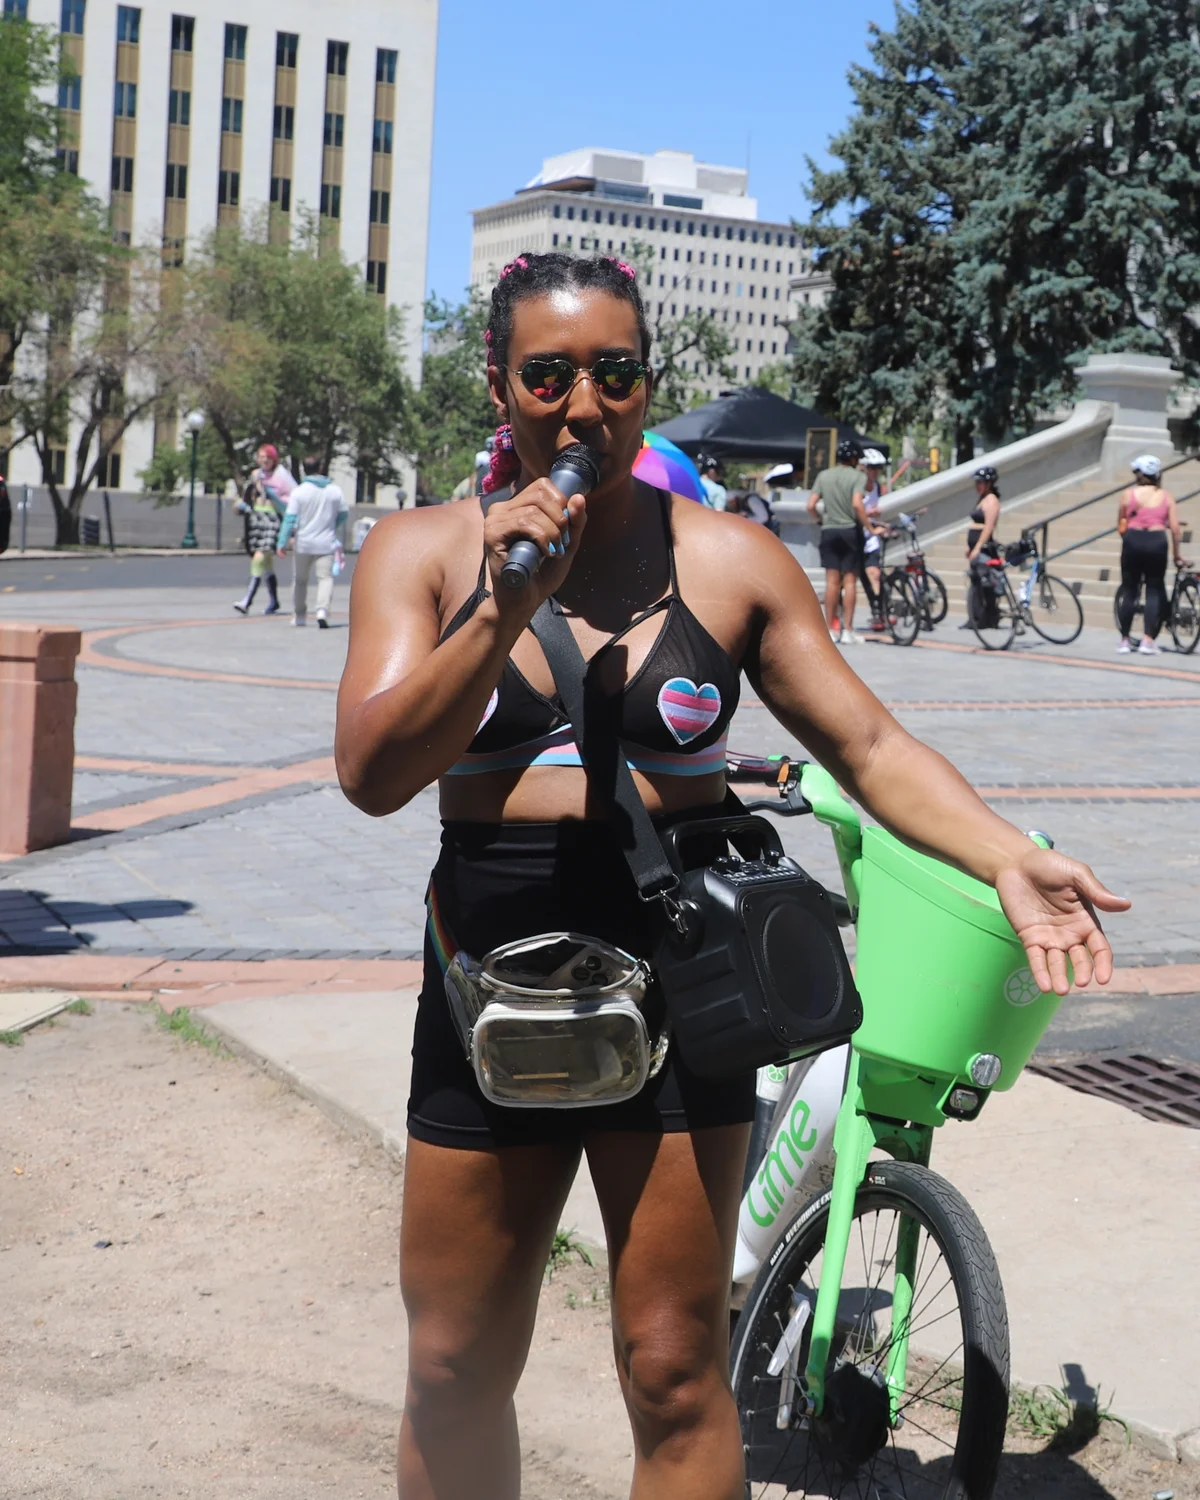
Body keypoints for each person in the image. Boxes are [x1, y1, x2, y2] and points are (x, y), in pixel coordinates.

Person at [333, 249, 1128, 1500]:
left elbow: (870, 746)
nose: (583, 405)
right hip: (492, 969)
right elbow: (373, 771)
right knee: (454, 1361)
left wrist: (1009, 859)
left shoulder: (730, 561)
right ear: (499, 386)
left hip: (680, 975)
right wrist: (499, 607)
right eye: (548, 375)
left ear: (646, 385)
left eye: (615, 373)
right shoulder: (422, 552)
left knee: (672, 1364)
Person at [1116, 454, 1185, 655]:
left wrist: (1130, 540)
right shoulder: (1166, 496)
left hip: (1133, 541)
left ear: (1139, 474)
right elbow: (1175, 529)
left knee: (1129, 590)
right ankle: (1147, 640)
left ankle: (1125, 640)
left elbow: (1121, 523)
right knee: (1154, 590)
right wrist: (1177, 555)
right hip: (1156, 542)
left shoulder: (1127, 495)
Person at [807, 437, 869, 643]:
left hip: (829, 530)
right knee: (850, 581)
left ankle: (830, 630)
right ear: (854, 458)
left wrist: (820, 520)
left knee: (832, 582)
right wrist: (870, 527)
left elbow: (811, 505)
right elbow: (857, 504)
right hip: (850, 530)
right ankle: (848, 630)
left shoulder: (824, 475)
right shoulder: (858, 476)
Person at [277, 456, 349, 628]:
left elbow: (289, 519)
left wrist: (282, 542)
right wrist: (332, 525)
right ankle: (322, 610)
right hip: (326, 542)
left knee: (300, 580)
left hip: (304, 542)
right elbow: (344, 514)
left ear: (304, 469)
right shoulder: (334, 490)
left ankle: (300, 615)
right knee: (325, 577)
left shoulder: (299, 492)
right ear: (321, 467)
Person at [232, 476, 284, 615]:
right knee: (267, 566)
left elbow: (283, 506)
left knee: (258, 559)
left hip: (271, 526)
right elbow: (239, 508)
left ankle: (247, 601)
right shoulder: (252, 491)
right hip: (258, 528)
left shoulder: (276, 489)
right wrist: (241, 504)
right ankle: (274, 601)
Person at [966, 465, 1003, 629]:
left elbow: (989, 527)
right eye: (977, 482)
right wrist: (970, 547)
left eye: (980, 482)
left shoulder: (992, 501)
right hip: (976, 546)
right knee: (976, 582)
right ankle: (976, 617)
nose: (977, 486)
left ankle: (987, 616)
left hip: (985, 548)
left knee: (985, 582)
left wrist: (978, 547)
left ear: (989, 483)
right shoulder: (982, 499)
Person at [859, 448, 889, 630]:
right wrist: (868, 514)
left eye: (878, 468)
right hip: (857, 535)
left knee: (874, 574)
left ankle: (880, 612)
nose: (875, 471)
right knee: (861, 577)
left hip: (871, 537)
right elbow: (854, 509)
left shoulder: (877, 487)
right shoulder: (858, 487)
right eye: (872, 467)